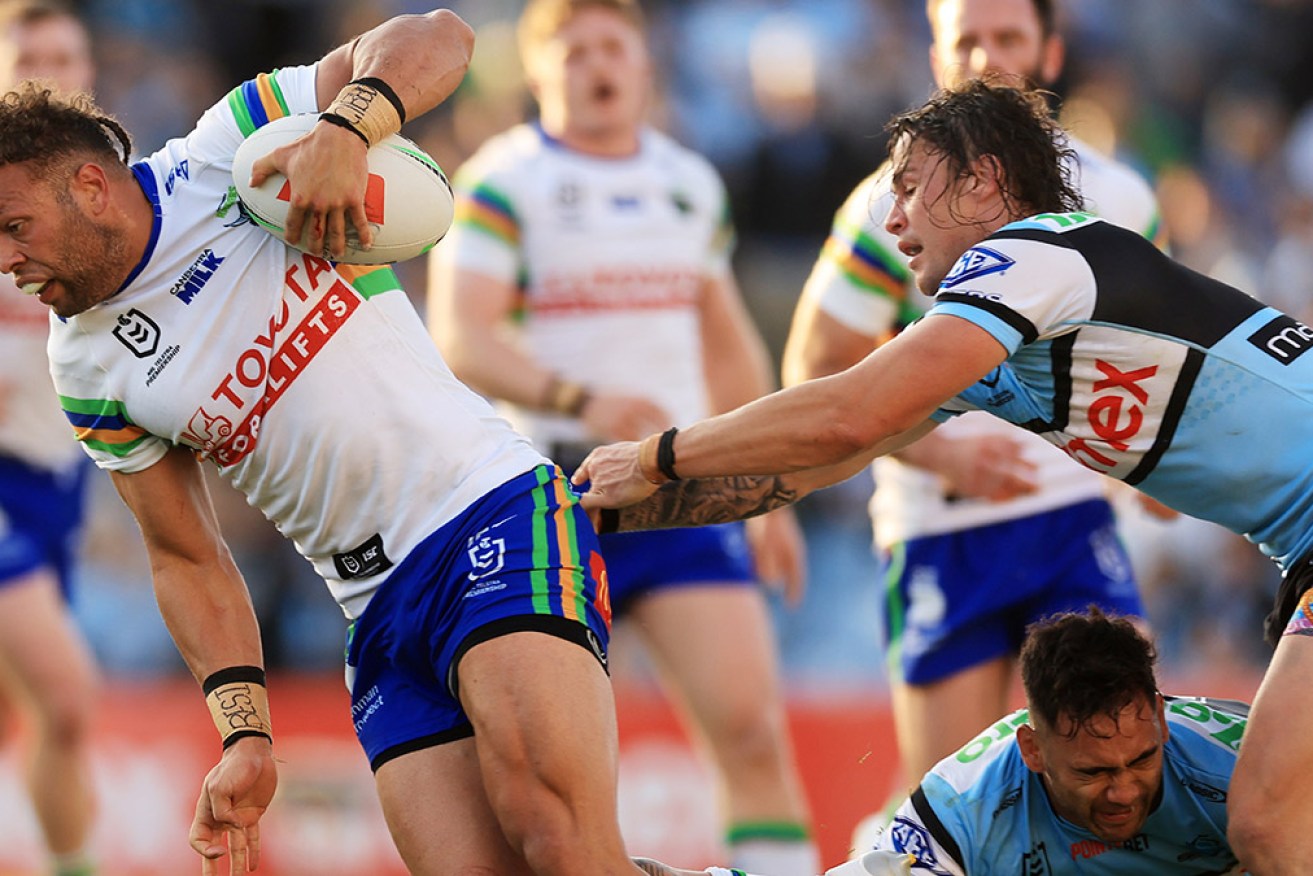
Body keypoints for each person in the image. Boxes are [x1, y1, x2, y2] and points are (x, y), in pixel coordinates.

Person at [0, 9, 703, 875]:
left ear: (88, 187)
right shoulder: (83, 366)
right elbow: (184, 556)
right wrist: (243, 731)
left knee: (554, 835)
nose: (7, 261)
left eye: (14, 226)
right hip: (371, 610)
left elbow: (441, 37)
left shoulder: (226, 154)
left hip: (487, 512)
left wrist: (348, 125)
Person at [575, 78, 1313, 873]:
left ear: (983, 180)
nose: (890, 219)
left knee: (1267, 823)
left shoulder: (1033, 257)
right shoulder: (1012, 337)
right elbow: (814, 465)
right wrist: (596, 514)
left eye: (906, 188)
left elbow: (847, 410)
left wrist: (656, 454)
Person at [426, 1, 818, 871]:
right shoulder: (503, 180)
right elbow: (461, 334)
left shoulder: (688, 181)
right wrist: (578, 395)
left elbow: (723, 343)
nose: (597, 66)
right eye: (574, 52)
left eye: (613, 47)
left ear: (643, 65)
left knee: (751, 734)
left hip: (678, 492)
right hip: (551, 498)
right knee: (555, 788)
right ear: (537, 74)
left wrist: (770, 496)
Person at [781, 0, 1165, 816]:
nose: (987, 59)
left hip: (1072, 519)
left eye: (1009, 39)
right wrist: (939, 453)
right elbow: (814, 364)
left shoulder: (1122, 195)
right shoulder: (880, 208)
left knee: (1116, 776)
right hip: (939, 529)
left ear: (1051, 53)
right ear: (935, 55)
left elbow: (1162, 350)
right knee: (960, 806)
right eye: (967, 41)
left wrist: (1161, 467)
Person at [871, 607, 1245, 874]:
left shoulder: (1242, 757)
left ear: (1160, 721)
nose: (1124, 792)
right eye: (1092, 772)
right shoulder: (958, 806)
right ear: (1032, 749)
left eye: (1142, 760)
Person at [0, 3, 100, 874]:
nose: (46, 72)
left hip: (56, 480)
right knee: (66, 699)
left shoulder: (118, 192)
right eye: (26, 56)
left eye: (62, 56)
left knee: (38, 716)